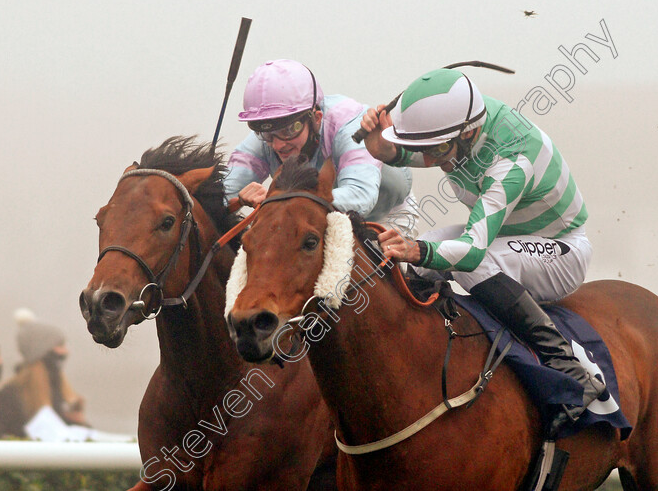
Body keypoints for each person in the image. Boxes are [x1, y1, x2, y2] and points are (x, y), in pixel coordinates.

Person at [360, 67, 605, 433]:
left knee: (463, 262)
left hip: (561, 251)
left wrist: (415, 249)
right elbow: (423, 150)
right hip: (507, 238)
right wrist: (383, 147)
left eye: (438, 149)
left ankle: (570, 371)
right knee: (430, 253)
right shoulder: (458, 126)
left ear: (469, 133)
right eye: (424, 148)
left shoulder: (512, 157)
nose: (432, 160)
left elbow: (473, 251)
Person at [225, 59, 418, 236]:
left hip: (383, 218)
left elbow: (360, 196)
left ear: (316, 118)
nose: (277, 144)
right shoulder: (267, 136)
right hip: (313, 217)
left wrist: (280, 199)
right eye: (266, 133)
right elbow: (223, 192)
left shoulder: (349, 124)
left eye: (289, 130)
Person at [3, 308, 89, 429]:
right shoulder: (11, 394)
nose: (66, 351)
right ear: (41, 351)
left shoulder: (58, 387)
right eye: (60, 345)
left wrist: (78, 422)